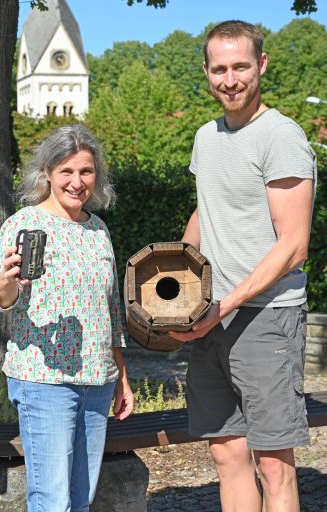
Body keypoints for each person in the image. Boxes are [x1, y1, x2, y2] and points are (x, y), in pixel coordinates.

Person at [170, 20, 316, 512]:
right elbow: (204, 212)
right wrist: (175, 284)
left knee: (274, 465)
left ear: (261, 66)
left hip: (265, 317)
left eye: (240, 67)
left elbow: (294, 245)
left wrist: (224, 304)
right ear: (207, 72)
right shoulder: (205, 137)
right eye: (219, 69)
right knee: (227, 455)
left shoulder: (282, 137)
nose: (229, 80)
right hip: (211, 317)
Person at [0, 124, 134, 512]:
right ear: (47, 173)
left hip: (97, 381)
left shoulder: (98, 230)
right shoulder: (23, 224)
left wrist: (122, 378)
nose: (76, 181)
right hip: (44, 380)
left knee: (81, 499)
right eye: (66, 171)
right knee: (52, 500)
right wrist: (6, 281)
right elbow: (2, 298)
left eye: (85, 171)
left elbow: (111, 312)